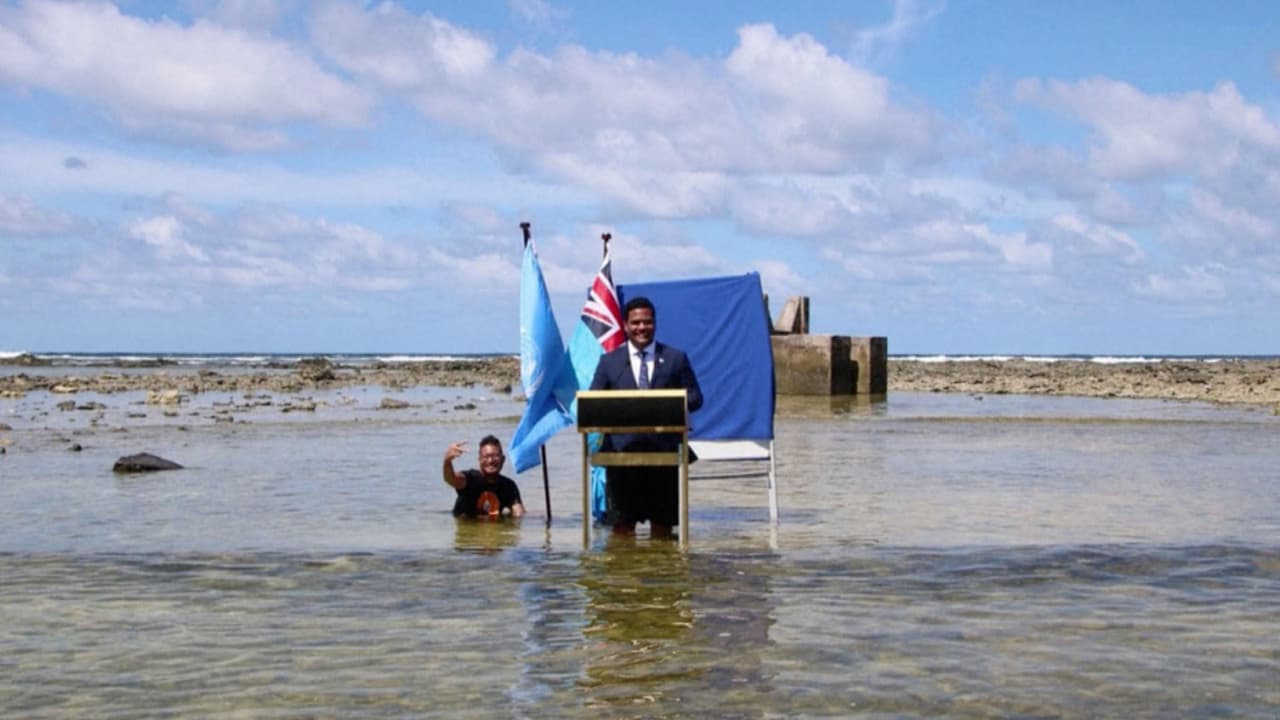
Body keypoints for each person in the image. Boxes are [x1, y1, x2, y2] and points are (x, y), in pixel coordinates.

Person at [589, 296, 703, 537]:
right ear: (626, 325)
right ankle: (626, 573)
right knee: (621, 530)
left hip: (663, 455)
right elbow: (593, 400)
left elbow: (695, 397)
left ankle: (661, 573)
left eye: (647, 322)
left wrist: (665, 406)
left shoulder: (675, 358)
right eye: (636, 323)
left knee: (663, 529)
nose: (642, 327)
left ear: (655, 323)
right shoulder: (609, 362)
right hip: (621, 457)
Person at [442, 435, 525, 519]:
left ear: (503, 459)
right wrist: (447, 461)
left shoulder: (508, 486)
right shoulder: (470, 479)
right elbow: (450, 479)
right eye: (486, 457)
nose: (490, 461)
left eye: (495, 456)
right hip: (467, 528)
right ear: (479, 460)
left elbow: (519, 513)